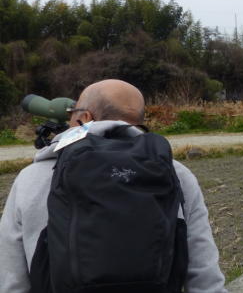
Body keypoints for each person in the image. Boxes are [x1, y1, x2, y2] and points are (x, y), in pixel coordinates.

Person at [0, 79, 227, 293]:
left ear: (85, 117)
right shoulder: (175, 173)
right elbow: (205, 277)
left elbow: (11, 281)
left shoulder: (32, 178)